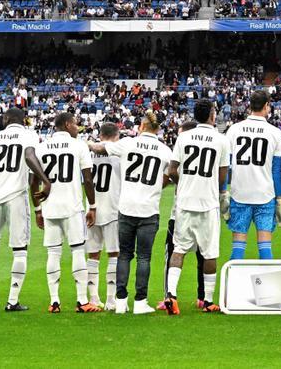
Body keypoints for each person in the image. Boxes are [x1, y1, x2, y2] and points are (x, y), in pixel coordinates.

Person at [89, 115, 174, 314]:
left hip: (126, 208)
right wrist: (158, 185)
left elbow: (101, 148)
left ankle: (120, 302)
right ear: (158, 129)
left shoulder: (128, 143)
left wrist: (85, 143)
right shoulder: (164, 150)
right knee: (144, 257)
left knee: (125, 255)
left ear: (142, 125)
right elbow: (172, 173)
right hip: (148, 209)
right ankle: (140, 302)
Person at [0, 107, 51, 313]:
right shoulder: (29, 136)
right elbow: (30, 157)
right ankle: (12, 300)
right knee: (20, 250)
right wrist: (45, 181)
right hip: (16, 196)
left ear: (6, 119)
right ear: (23, 120)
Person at [163, 100, 229, 314]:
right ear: (211, 115)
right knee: (210, 253)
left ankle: (171, 295)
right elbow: (221, 176)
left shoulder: (183, 137)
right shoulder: (221, 140)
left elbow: (172, 171)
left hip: (184, 202)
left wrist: (184, 184)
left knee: (179, 249)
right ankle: (208, 301)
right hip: (207, 203)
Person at [32, 113, 98, 314]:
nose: (78, 127)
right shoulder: (79, 146)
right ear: (68, 124)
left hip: (50, 207)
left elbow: (33, 182)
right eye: (76, 124)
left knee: (53, 253)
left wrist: (37, 210)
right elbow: (87, 179)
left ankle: (54, 301)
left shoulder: (42, 147)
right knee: (78, 250)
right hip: (72, 207)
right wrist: (92, 206)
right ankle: (82, 300)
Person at [224, 91, 281, 261]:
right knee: (265, 248)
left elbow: (226, 165)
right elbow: (276, 170)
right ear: (266, 106)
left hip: (239, 194)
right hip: (265, 195)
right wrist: (279, 199)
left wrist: (223, 193)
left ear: (249, 105)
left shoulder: (234, 130)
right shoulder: (275, 133)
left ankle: (234, 287)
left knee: (237, 248)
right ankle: (267, 288)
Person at [158, 120, 205, 311]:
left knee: (174, 251)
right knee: (204, 254)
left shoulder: (180, 148)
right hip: (203, 208)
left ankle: (169, 295)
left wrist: (180, 183)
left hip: (180, 211)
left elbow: (170, 173)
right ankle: (203, 297)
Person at [85, 123, 121, 312]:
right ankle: (110, 299)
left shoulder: (89, 153)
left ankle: (93, 298)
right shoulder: (120, 154)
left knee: (93, 254)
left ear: (100, 135)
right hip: (113, 208)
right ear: (116, 136)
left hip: (92, 208)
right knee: (113, 254)